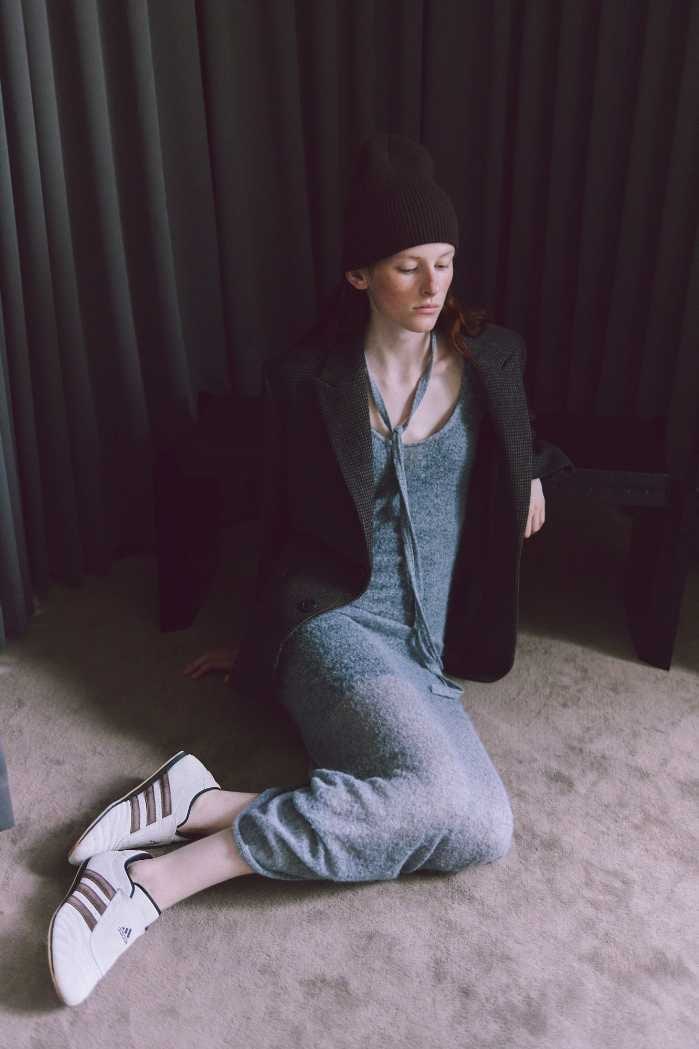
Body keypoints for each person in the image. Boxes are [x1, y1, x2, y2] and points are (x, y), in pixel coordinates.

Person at [47, 133, 573, 1007]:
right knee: (434, 796)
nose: (433, 285)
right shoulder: (308, 382)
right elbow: (281, 523)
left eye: (444, 262)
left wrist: (535, 472)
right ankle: (151, 881)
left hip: (429, 649)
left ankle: (199, 802)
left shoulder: (493, 360)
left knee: (482, 826)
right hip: (334, 621)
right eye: (408, 265)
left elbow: (527, 440)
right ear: (359, 274)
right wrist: (264, 644)